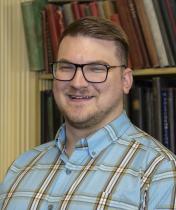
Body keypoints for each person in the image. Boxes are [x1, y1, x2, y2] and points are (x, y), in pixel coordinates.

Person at [0, 16, 176, 210]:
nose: (77, 83)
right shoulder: (21, 168)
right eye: (66, 67)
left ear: (125, 81)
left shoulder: (160, 173)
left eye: (96, 69)